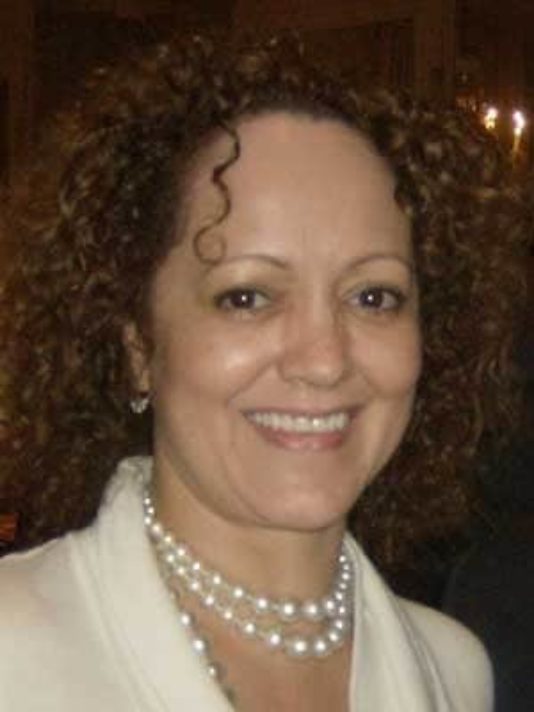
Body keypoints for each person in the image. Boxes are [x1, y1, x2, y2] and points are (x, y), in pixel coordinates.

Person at [0, 34, 525, 711]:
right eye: (246, 297)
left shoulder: (453, 671)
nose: (324, 359)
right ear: (136, 345)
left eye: (374, 297)